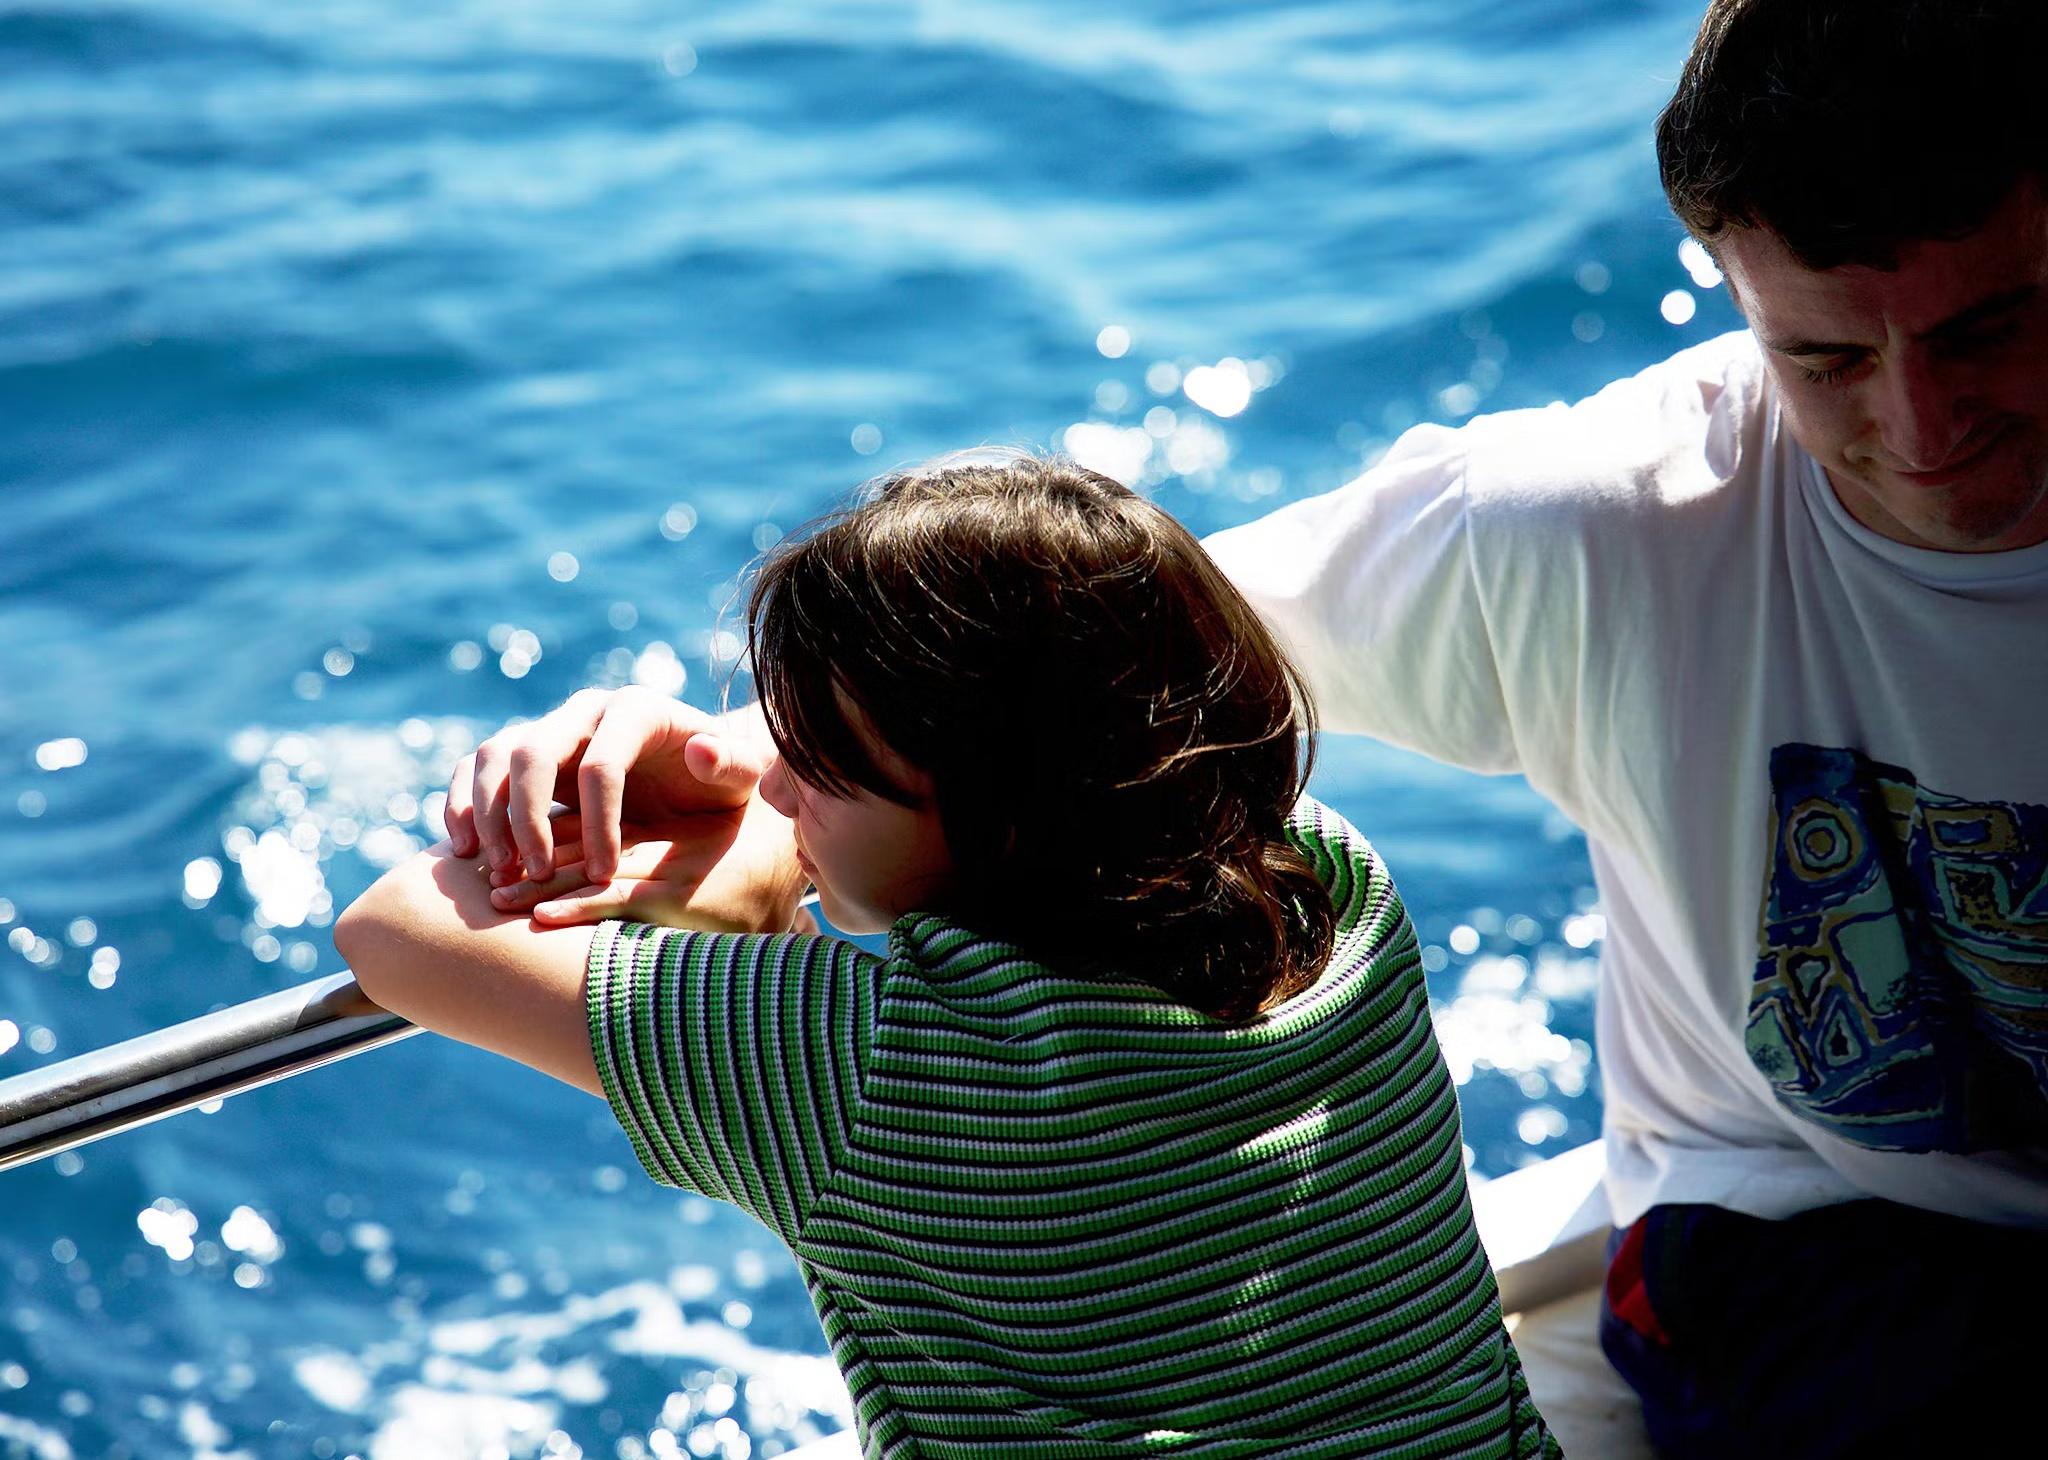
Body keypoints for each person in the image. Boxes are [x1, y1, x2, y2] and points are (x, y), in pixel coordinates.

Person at [444, 2, 2048, 1452]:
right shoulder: (1592, 528)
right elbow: (1078, 665)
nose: (1919, 429)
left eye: (1989, 329)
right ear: (1728, 292)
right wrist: (753, 757)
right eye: (1823, 356)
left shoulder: (856, 1080)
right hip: (1800, 1237)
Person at [339, 457, 1561, 1458]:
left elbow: (396, 931)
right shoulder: (1332, 888)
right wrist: (800, 805)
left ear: (999, 811)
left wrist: (730, 826)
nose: (768, 775)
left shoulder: (873, 1068)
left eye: (816, 760)